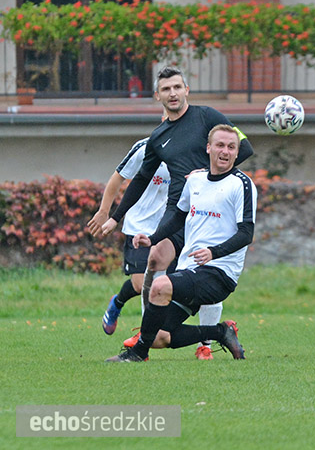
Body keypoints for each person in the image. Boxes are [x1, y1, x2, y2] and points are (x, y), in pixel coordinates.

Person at [100, 65, 254, 358]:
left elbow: (242, 147)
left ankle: (201, 344)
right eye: (166, 89)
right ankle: (148, 332)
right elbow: (141, 179)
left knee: (200, 270)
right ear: (158, 96)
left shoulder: (207, 116)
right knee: (156, 258)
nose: (173, 93)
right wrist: (115, 217)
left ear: (187, 90)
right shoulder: (158, 136)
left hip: (207, 215)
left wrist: (211, 177)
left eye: (177, 87)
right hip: (178, 213)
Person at [87, 133, 169, 338]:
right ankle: (118, 304)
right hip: (139, 226)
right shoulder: (144, 148)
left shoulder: (188, 150)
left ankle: (157, 335)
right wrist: (104, 211)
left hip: (168, 228)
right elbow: (118, 176)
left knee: (164, 285)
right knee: (141, 285)